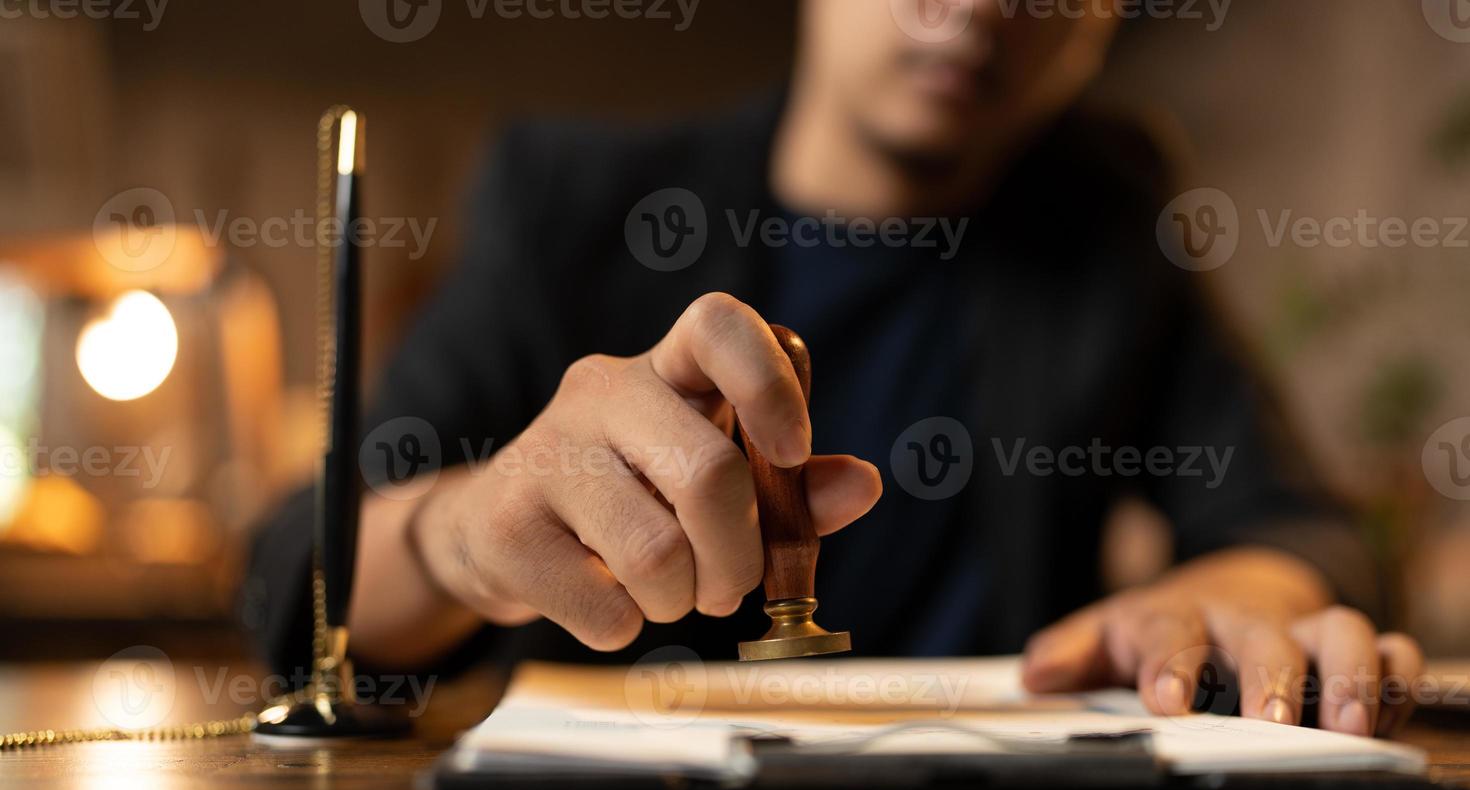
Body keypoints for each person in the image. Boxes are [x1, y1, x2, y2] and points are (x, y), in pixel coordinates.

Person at [243, 0, 1423, 736]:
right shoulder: (572, 205)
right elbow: (296, 572)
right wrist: (465, 534)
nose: (974, 9)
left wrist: (1231, 597)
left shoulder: (1109, 221)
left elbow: (1299, 523)